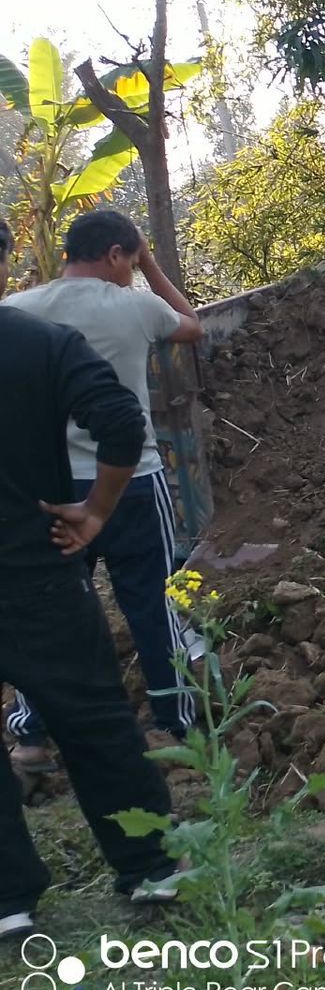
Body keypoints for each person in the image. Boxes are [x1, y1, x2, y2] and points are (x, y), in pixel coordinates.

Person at [0, 303, 186, 938]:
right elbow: (120, 421)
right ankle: (149, 867)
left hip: (33, 573)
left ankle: (8, 903)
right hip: (34, 569)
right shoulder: (42, 344)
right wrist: (97, 509)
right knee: (95, 719)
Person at [3, 211, 208, 772]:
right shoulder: (135, 307)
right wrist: (152, 267)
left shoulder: (18, 311)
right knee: (151, 599)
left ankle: (32, 738)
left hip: (52, 489)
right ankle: (172, 724)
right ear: (117, 254)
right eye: (130, 259)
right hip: (132, 481)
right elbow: (192, 324)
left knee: (49, 607)